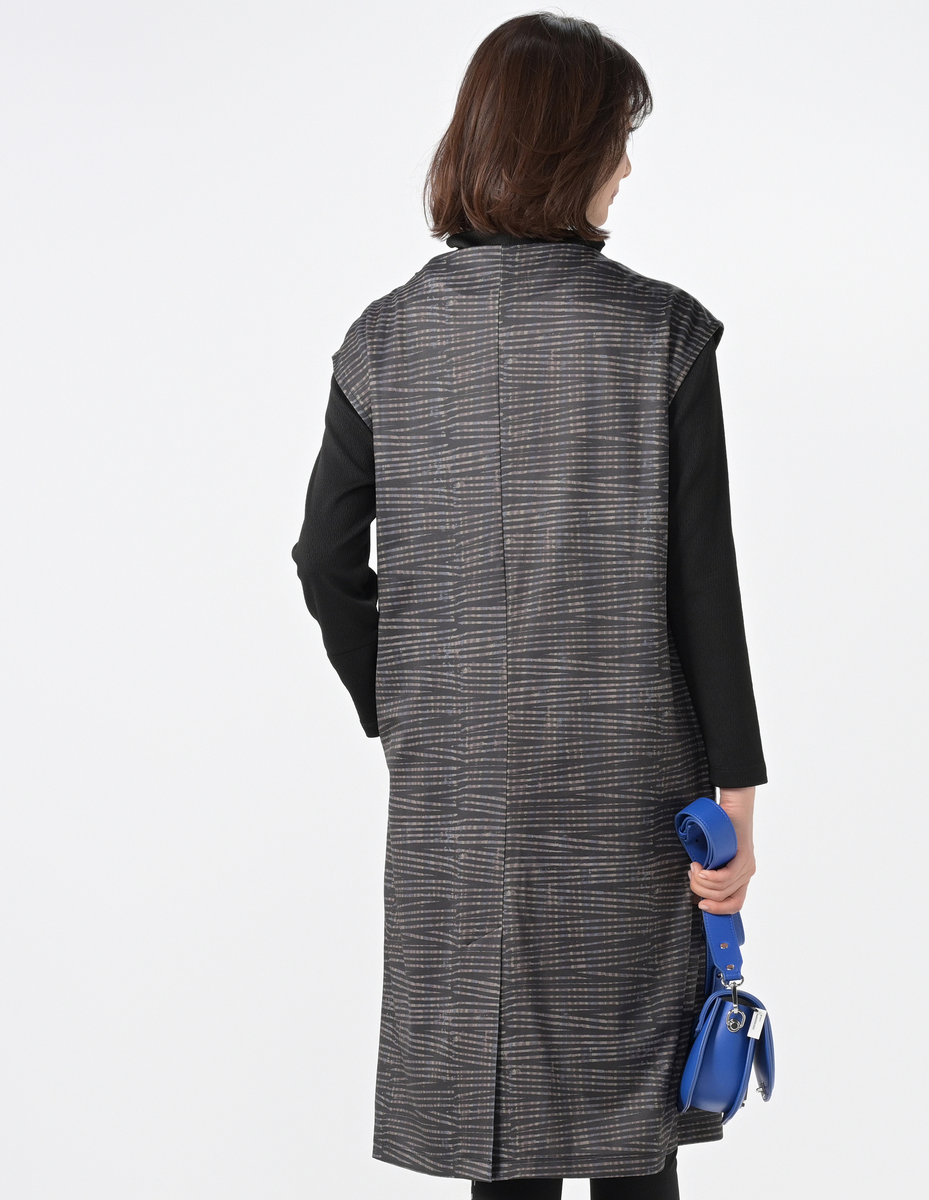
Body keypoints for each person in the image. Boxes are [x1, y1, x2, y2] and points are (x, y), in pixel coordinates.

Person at [292, 13, 767, 1198]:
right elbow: (703, 586)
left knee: (492, 1121)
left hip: (456, 796)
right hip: (629, 793)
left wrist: (401, 705)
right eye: (617, 139)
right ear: (570, 151)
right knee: (632, 1125)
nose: (627, 167)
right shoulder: (663, 334)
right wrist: (739, 796)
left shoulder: (383, 341)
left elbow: (323, 558)